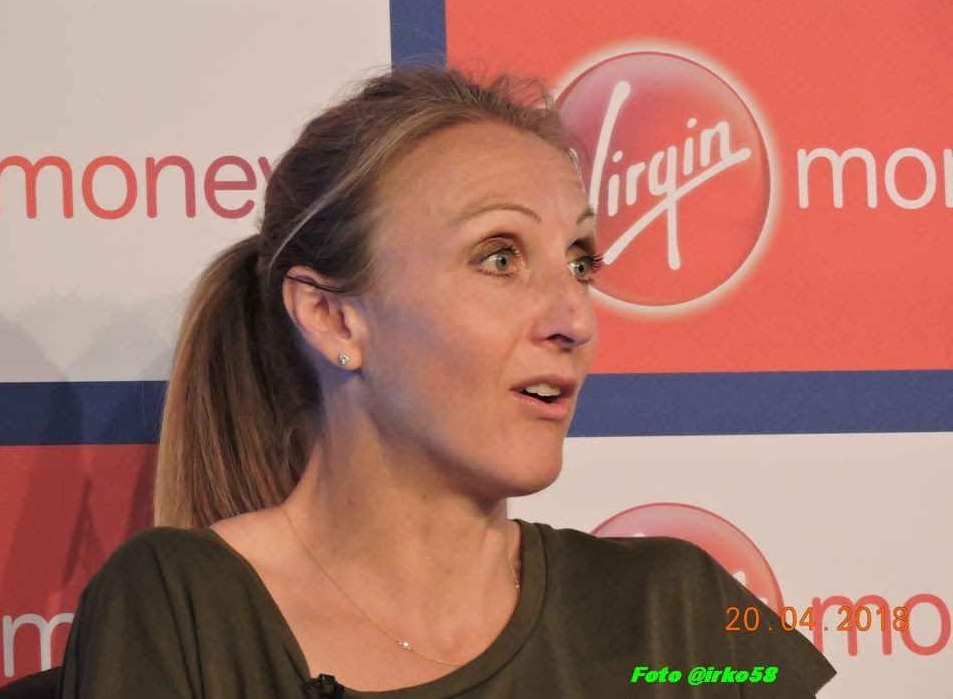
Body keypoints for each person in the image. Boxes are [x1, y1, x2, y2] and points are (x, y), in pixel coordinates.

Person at [57, 66, 835, 697]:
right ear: (332, 318)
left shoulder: (679, 616)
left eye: (580, 263)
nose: (574, 318)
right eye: (499, 257)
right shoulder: (183, 607)